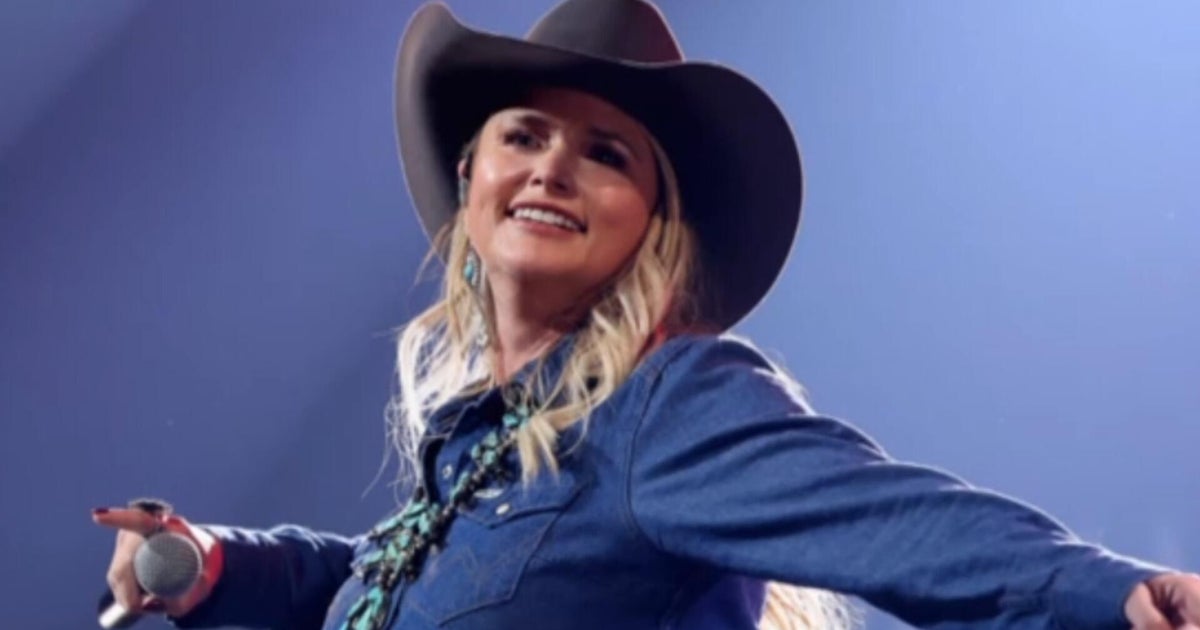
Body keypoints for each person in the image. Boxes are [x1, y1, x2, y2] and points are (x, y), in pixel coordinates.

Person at [93, 1, 1199, 629]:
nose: (551, 169)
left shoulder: (663, 407)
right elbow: (373, 574)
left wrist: (1118, 597)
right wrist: (211, 560)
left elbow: (896, 519)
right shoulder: (478, 461)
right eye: (525, 135)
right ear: (473, 176)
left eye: (606, 155)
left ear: (652, 224)